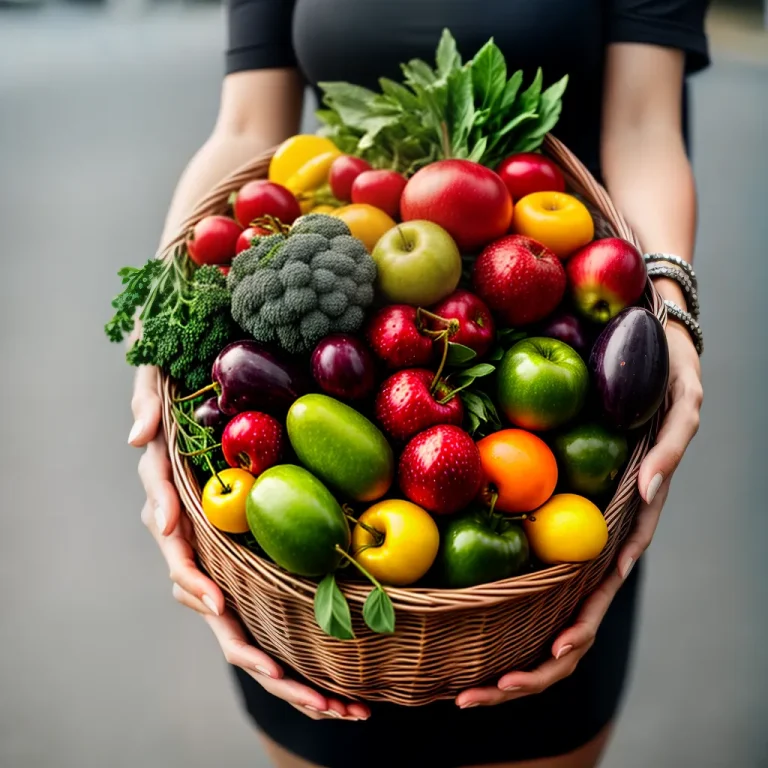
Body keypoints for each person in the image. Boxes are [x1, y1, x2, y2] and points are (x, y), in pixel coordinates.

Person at [128, 1, 709, 766]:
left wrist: (673, 318)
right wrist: (156, 333)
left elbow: (642, 128)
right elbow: (245, 129)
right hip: (312, 604)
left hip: (577, 390)